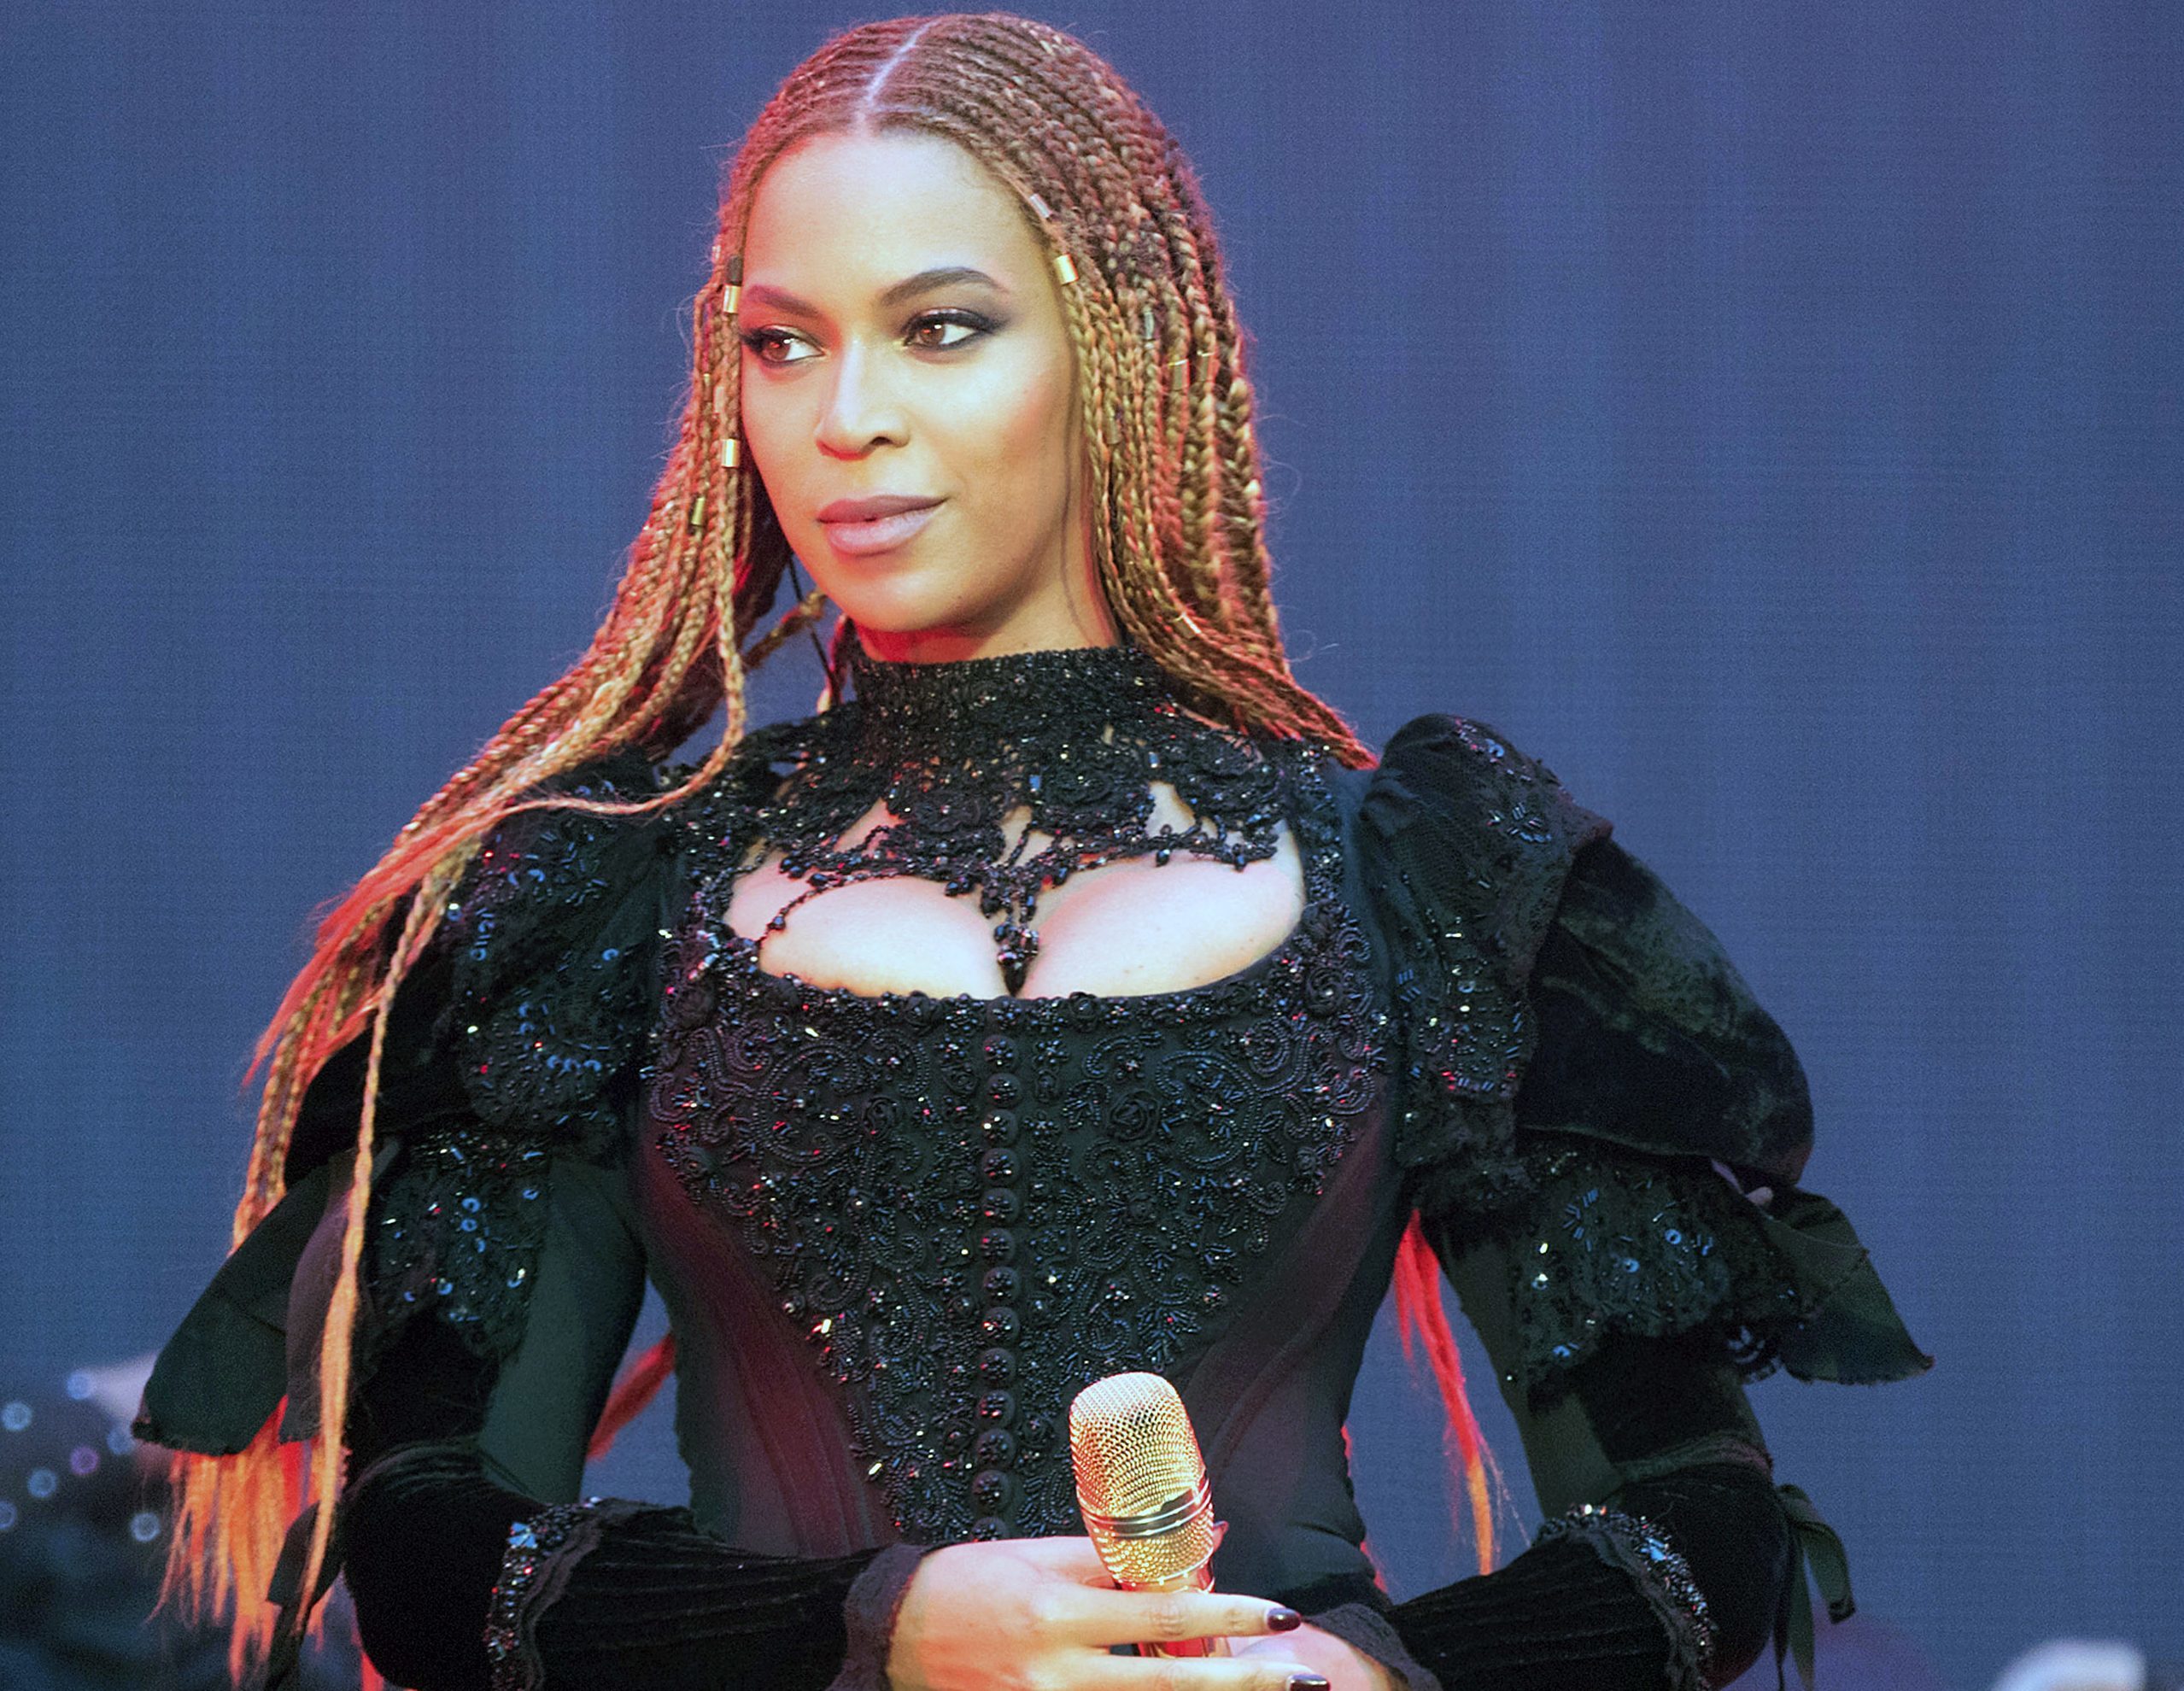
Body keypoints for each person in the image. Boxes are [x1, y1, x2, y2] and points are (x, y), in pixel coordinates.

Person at [133, 13, 1931, 1691]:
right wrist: (884, 1626)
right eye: (782, 342)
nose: (844, 418)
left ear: (1119, 346)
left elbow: (1694, 1524)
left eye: (938, 326)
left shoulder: (1432, 879)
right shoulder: (605, 899)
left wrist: (1365, 1674)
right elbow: (431, 1539)